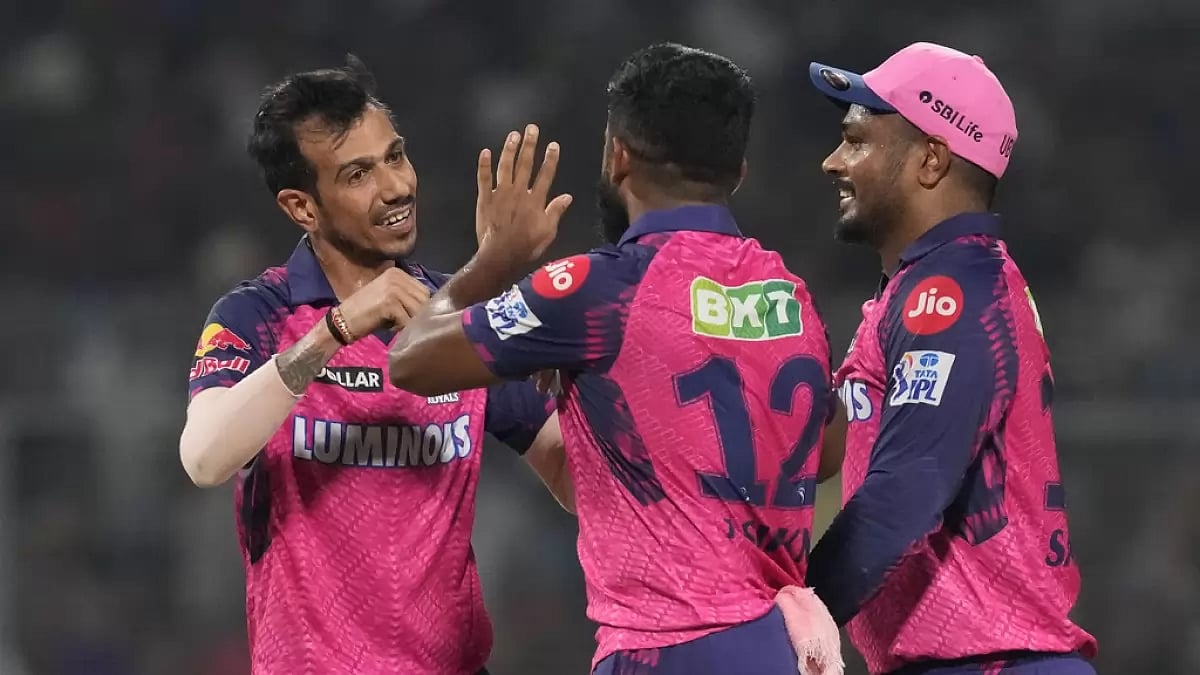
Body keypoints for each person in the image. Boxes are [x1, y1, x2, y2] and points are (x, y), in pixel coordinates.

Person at [388, 43, 843, 675]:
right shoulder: (788, 294)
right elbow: (821, 452)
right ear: (738, 169)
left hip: (669, 649)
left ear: (618, 153)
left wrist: (495, 259)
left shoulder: (599, 290)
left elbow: (409, 359)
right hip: (779, 647)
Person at [177, 56, 569, 675]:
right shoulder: (258, 314)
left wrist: (582, 357)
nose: (396, 187)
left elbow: (574, 476)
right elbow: (204, 458)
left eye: (395, 156)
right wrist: (338, 328)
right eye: (359, 173)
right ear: (302, 207)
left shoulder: (457, 314)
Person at [802, 42, 1098, 674]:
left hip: (994, 663)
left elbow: (904, 492)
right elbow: (822, 446)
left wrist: (795, 616)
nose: (832, 161)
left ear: (931, 160)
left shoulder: (951, 295)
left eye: (856, 140)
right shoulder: (927, 289)